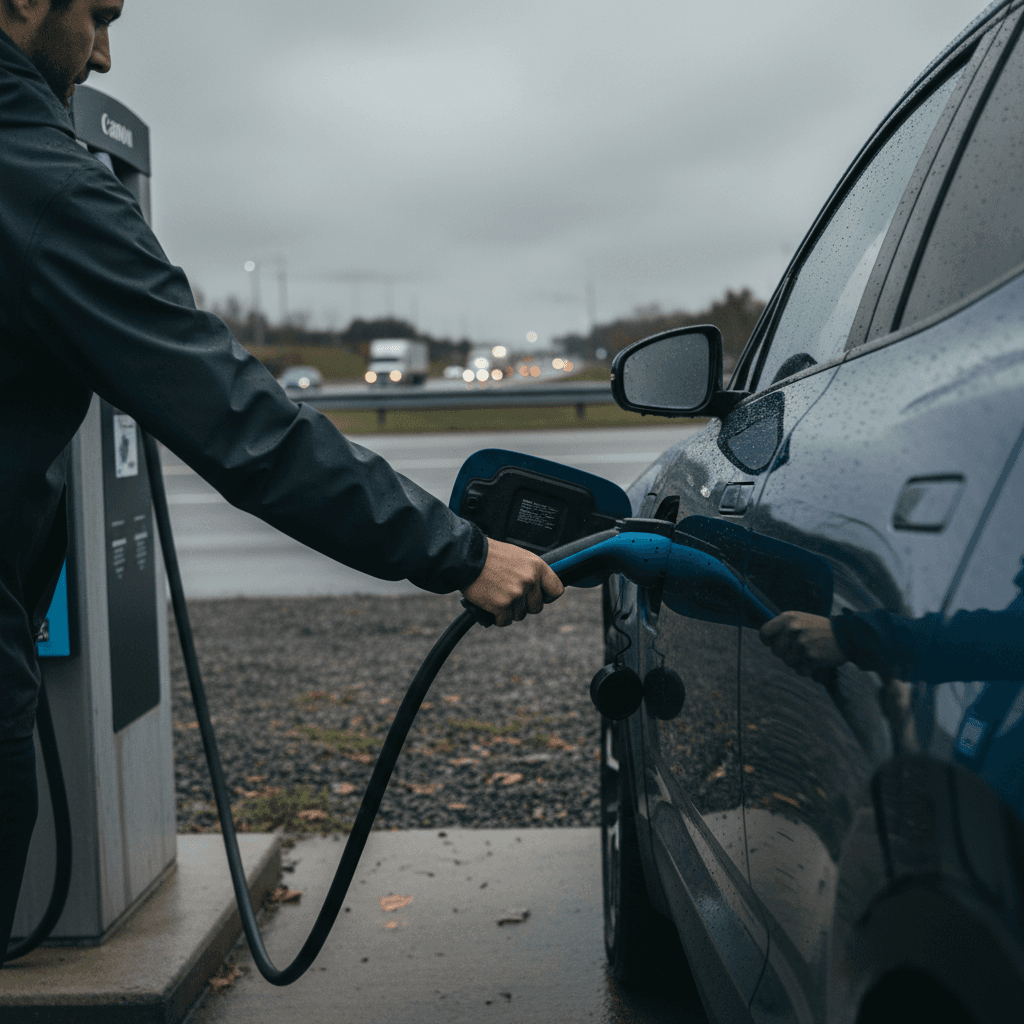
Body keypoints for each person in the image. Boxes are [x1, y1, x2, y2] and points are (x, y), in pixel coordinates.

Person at [0, 0, 563, 957]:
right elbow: (240, 420)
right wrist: (460, 553)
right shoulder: (40, 181)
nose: (105, 54)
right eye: (97, 15)